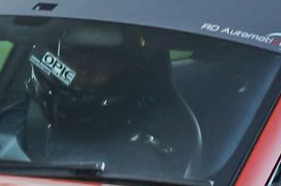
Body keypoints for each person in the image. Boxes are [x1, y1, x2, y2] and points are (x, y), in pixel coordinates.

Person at [26, 20, 203, 177]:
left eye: (100, 63)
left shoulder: (142, 164)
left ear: (127, 71)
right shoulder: (11, 122)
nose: (84, 72)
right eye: (74, 59)